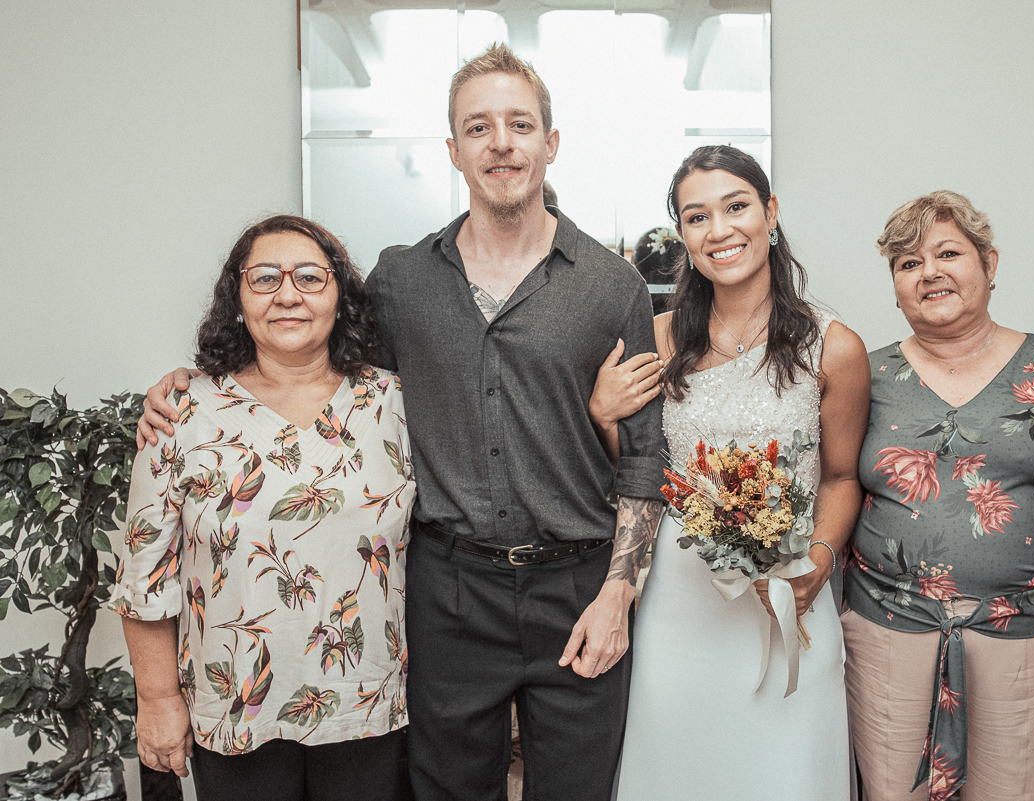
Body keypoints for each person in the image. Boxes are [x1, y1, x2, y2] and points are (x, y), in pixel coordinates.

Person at [138, 44, 666, 801]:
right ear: (454, 151)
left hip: (578, 585)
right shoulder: (401, 280)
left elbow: (645, 459)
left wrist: (618, 595)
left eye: (520, 124)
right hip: (447, 588)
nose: (501, 143)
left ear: (551, 142)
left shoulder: (613, 285)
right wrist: (194, 385)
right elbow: (319, 369)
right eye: (478, 128)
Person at [843, 191, 1034, 801]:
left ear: (990, 264)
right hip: (887, 637)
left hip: (1032, 642)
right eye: (907, 263)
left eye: (947, 253)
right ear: (896, 287)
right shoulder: (861, 376)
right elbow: (829, 489)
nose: (928, 272)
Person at [591, 145, 871, 799]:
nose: (719, 230)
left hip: (790, 599)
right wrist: (603, 416)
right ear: (683, 235)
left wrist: (819, 563)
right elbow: (632, 473)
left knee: (785, 774)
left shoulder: (835, 347)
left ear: (770, 213)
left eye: (736, 206)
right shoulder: (657, 341)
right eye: (697, 217)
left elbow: (839, 478)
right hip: (680, 610)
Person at [113, 215, 416, 800]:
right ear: (237, 297)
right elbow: (147, 575)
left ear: (339, 295)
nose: (287, 295)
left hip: (365, 705)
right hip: (233, 709)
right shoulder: (182, 411)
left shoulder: (392, 401)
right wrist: (155, 700)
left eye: (309, 277)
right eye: (264, 279)